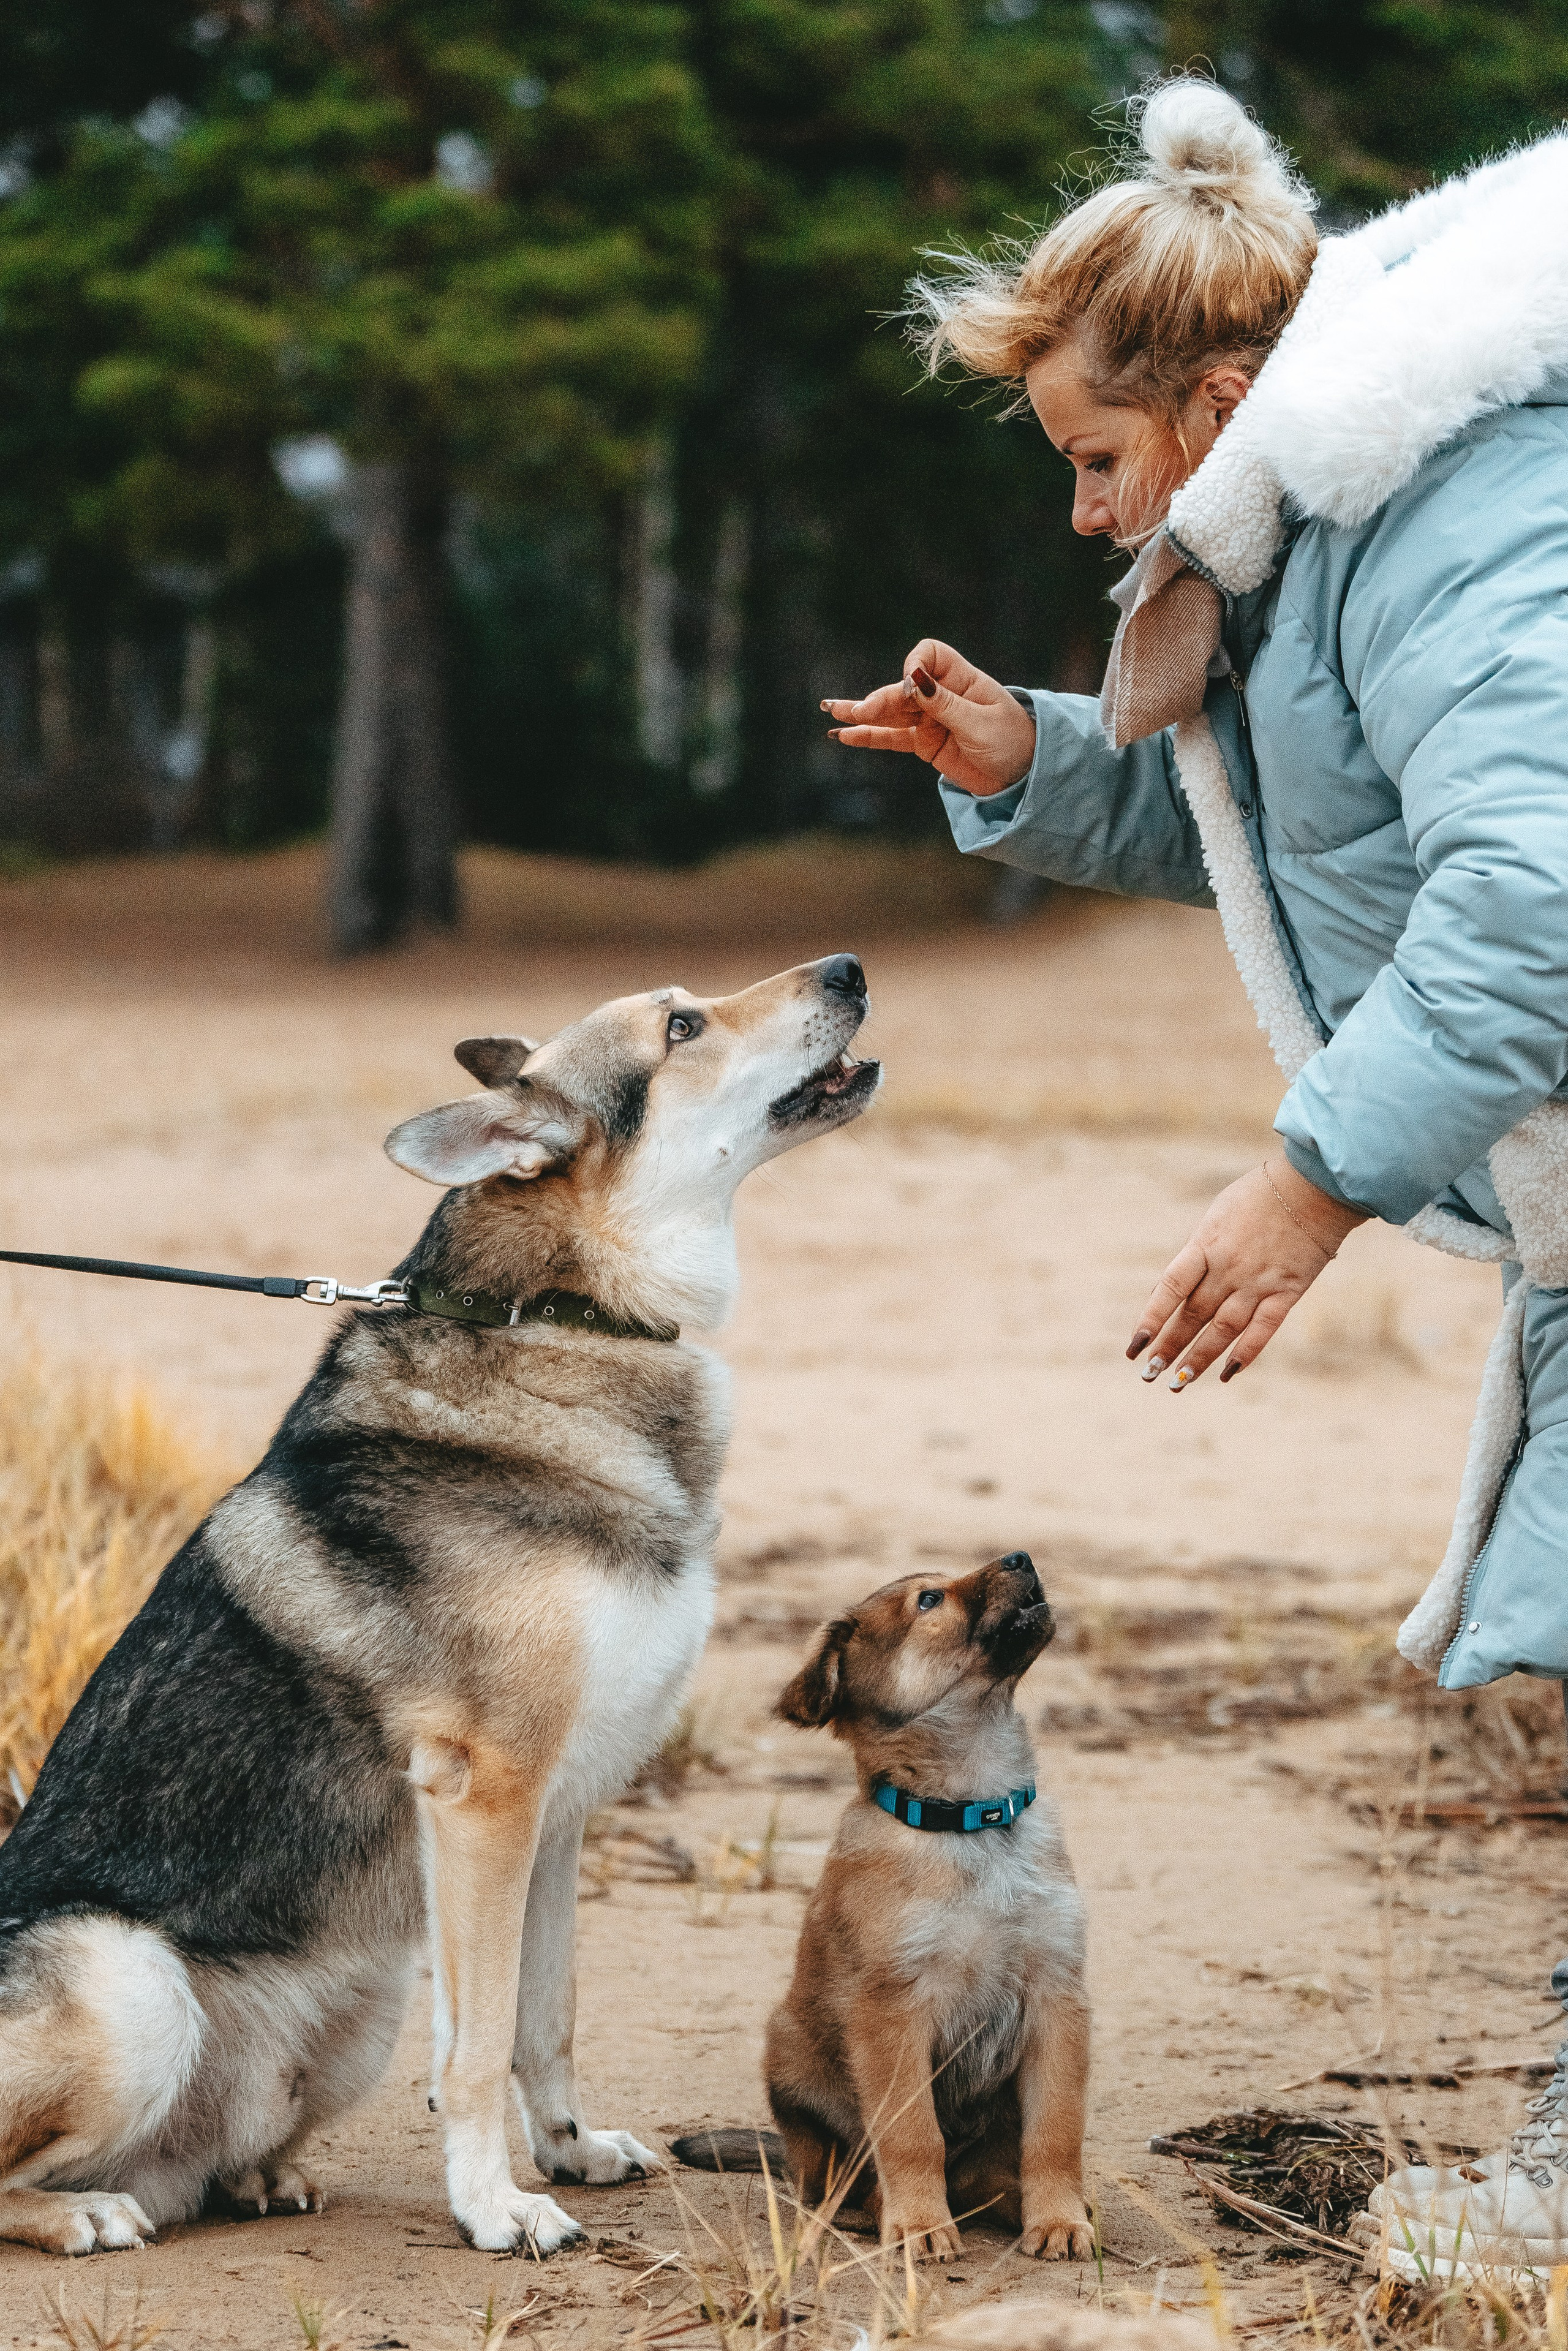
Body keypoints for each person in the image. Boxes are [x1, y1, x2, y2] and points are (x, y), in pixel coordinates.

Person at [827, 77, 1568, 2281]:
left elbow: (1535, 888)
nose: (1083, 518)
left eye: (1094, 458)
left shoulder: (1465, 517)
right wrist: (1036, 761)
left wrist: (1307, 1188)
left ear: (1226, 395)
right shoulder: (1334, 531)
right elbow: (1295, 844)